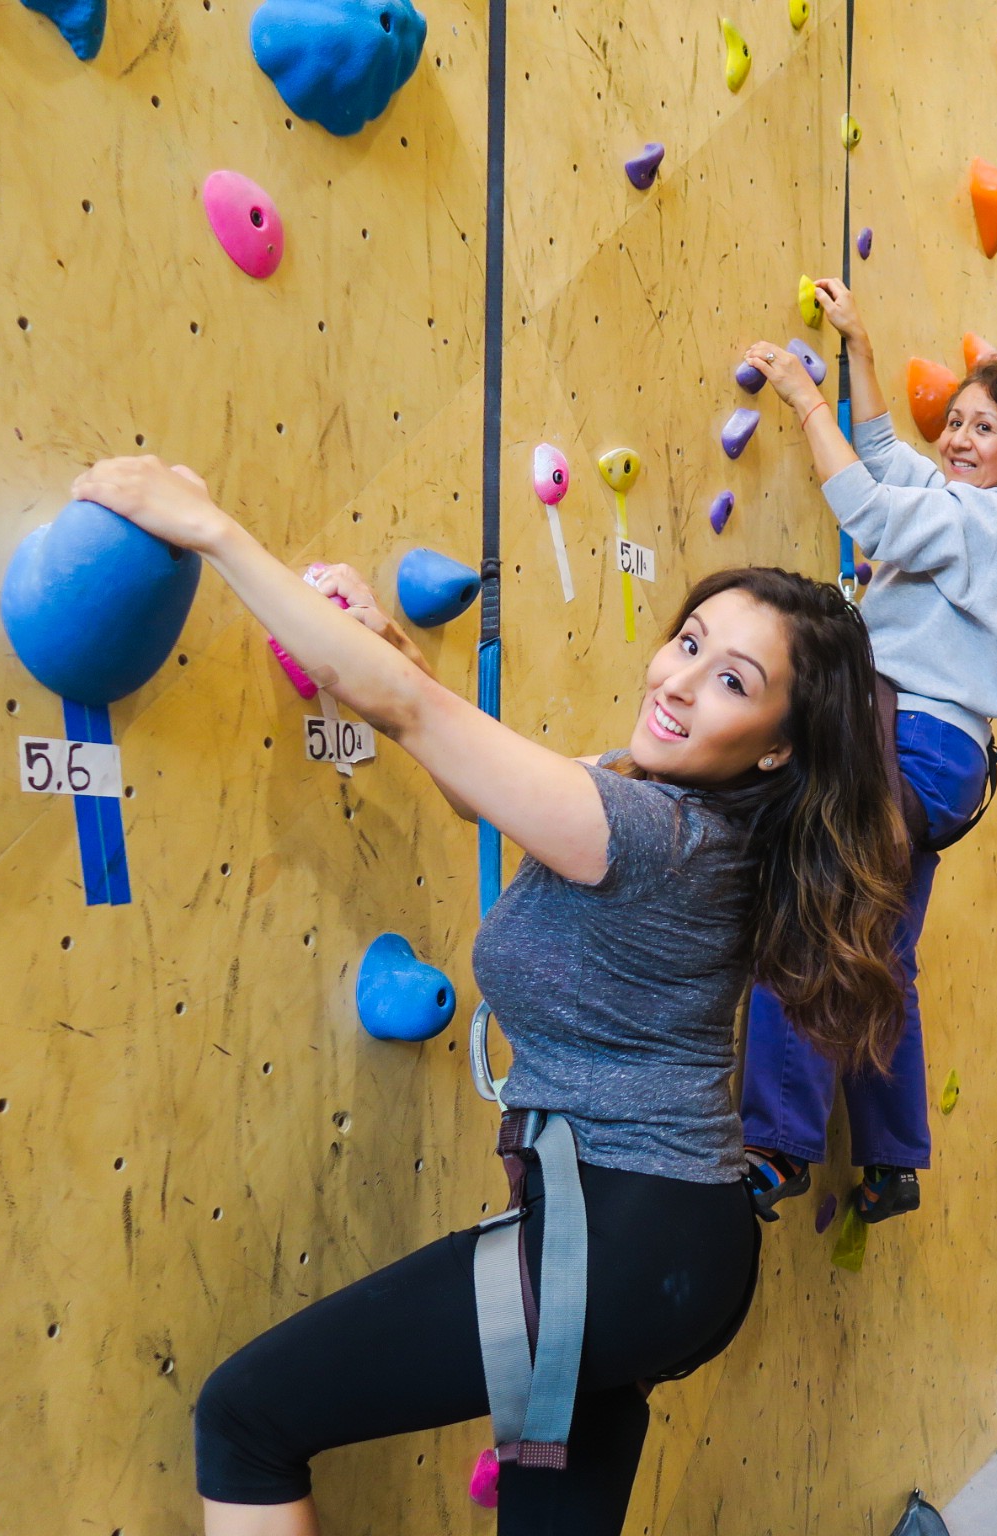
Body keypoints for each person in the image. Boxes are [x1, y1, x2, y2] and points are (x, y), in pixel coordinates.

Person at [70, 457, 911, 1535]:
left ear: (780, 746)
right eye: (691, 643)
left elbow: (417, 722)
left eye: (734, 681)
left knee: (247, 1417)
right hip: (664, 1247)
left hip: (624, 1238)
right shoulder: (692, 817)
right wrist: (389, 649)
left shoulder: (650, 833)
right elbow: (472, 770)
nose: (682, 681)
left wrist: (212, 530)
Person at [738, 280, 997, 1225]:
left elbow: (870, 514)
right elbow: (884, 457)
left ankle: (776, 1145)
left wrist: (805, 399)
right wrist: (859, 349)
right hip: (934, 752)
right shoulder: (994, 515)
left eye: (984, 431)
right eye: (956, 422)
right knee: (884, 951)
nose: (959, 441)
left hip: (902, 738)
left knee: (810, 922)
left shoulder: (992, 524)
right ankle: (889, 1158)